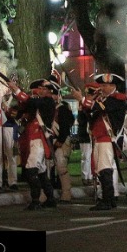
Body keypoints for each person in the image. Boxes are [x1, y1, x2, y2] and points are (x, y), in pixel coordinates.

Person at [72, 73, 127, 210]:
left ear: (113, 86)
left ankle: (107, 200)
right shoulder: (103, 99)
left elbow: (101, 108)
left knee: (105, 169)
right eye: (102, 85)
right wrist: (85, 102)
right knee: (101, 169)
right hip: (99, 137)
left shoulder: (117, 98)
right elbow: (91, 113)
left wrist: (83, 99)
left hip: (107, 137)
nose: (102, 88)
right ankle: (108, 199)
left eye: (105, 85)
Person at [11, 79, 57, 210]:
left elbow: (32, 102)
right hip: (34, 139)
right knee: (41, 171)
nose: (40, 90)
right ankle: (50, 198)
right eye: (40, 88)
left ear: (49, 91)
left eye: (43, 89)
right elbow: (25, 107)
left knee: (31, 169)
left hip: (39, 139)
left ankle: (36, 200)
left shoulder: (48, 101)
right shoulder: (39, 102)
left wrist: (17, 90)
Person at [48, 74, 75, 203]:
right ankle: (47, 194)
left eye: (54, 94)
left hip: (60, 141)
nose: (52, 97)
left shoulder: (62, 109)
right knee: (47, 169)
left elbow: (65, 126)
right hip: (49, 141)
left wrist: (60, 140)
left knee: (61, 168)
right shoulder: (46, 108)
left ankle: (66, 193)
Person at [77, 83, 98, 186]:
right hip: (85, 134)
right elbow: (81, 120)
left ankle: (92, 176)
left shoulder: (93, 104)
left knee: (93, 156)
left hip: (93, 134)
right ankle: (86, 176)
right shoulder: (83, 104)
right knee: (86, 156)